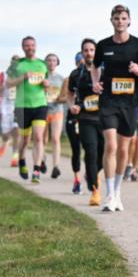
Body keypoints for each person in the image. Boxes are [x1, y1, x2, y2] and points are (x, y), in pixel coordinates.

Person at [93, 4, 138, 212]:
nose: (120, 21)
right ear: (111, 20)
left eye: (123, 18)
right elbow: (94, 67)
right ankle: (109, 193)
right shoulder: (103, 45)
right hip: (108, 102)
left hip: (129, 104)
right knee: (111, 146)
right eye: (116, 18)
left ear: (129, 21)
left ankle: (117, 192)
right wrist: (95, 83)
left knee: (124, 149)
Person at [6, 37, 49, 183]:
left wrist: (46, 84)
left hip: (40, 105)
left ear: (36, 46)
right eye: (27, 46)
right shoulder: (17, 65)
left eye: (32, 45)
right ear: (22, 47)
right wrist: (23, 77)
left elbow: (46, 83)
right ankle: (22, 161)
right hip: (22, 106)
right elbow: (9, 84)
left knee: (38, 137)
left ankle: (36, 170)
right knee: (25, 140)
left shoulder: (42, 64)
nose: (30, 48)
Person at [70, 39, 105, 206]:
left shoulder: (105, 71)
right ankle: (95, 190)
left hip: (105, 118)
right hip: (85, 119)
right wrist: (72, 106)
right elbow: (70, 94)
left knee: (104, 154)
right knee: (90, 152)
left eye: (92, 50)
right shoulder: (77, 74)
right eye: (86, 50)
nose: (89, 53)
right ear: (82, 53)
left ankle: (92, 174)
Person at [62, 52, 85, 194]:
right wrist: (72, 103)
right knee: (76, 150)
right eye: (79, 61)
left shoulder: (96, 76)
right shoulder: (72, 77)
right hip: (73, 117)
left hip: (89, 117)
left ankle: (91, 172)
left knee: (92, 149)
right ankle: (77, 180)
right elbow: (65, 96)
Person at [42, 53, 65, 178]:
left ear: (57, 63)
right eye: (49, 60)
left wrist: (59, 99)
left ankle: (56, 166)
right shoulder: (41, 77)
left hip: (57, 110)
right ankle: (42, 158)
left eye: (54, 60)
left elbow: (65, 96)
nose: (51, 63)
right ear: (45, 63)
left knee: (56, 139)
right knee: (43, 139)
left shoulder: (61, 79)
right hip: (43, 111)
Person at [0, 56, 21, 164]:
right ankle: (6, 141)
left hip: (18, 104)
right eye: (14, 61)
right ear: (11, 62)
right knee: (5, 133)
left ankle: (15, 156)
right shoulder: (3, 75)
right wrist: (3, 88)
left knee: (17, 130)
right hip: (6, 105)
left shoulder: (23, 74)